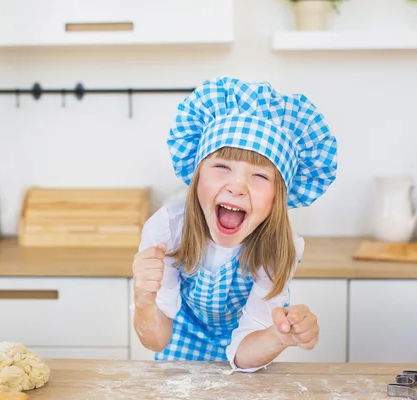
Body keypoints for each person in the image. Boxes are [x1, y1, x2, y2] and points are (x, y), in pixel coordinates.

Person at [132, 76, 338, 372]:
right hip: (176, 361)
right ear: (197, 174)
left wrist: (278, 336)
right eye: (222, 166)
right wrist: (143, 299)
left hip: (245, 370)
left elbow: (244, 354)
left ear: (279, 197)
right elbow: (156, 339)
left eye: (260, 176)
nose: (237, 187)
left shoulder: (280, 248)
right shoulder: (168, 229)